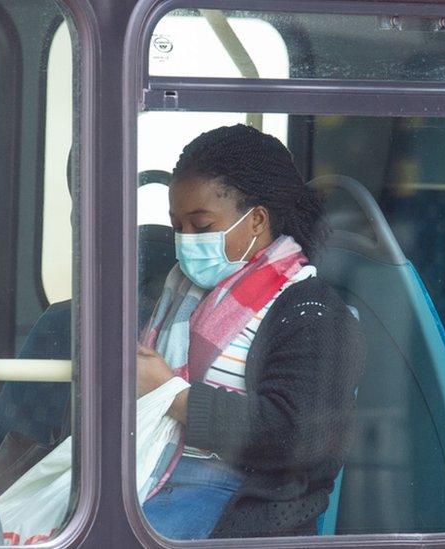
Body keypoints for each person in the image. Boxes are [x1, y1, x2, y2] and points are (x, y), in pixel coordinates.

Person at [136, 124, 365, 539]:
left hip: (236, 500)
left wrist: (172, 395)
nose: (186, 241)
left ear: (257, 219)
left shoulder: (311, 313)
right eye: (177, 227)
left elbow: (299, 437)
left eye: (202, 227)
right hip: (148, 475)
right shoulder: (172, 296)